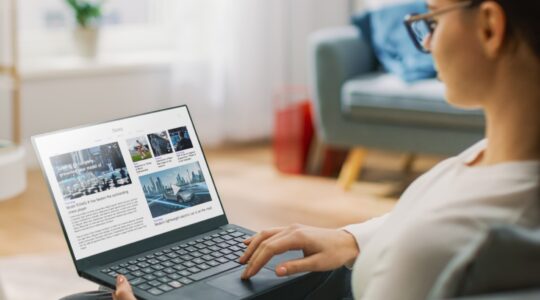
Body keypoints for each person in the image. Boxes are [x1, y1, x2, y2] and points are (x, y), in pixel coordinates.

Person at [112, 0, 540, 299]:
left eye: (431, 21)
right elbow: (442, 210)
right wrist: (350, 238)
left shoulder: (446, 247)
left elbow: (437, 234)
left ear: (489, 27)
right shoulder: (499, 157)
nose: (426, 44)